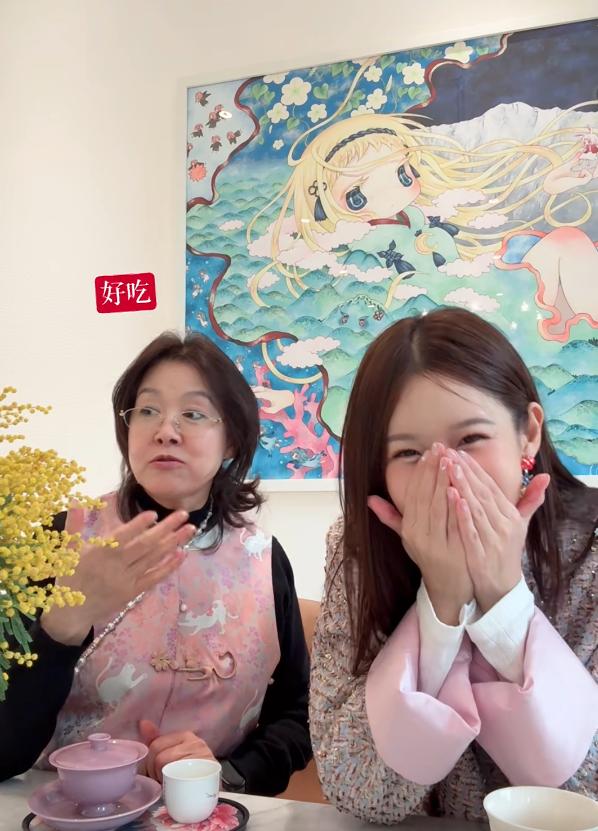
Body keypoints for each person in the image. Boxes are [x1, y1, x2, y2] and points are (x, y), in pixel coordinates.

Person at [309, 307, 597, 823]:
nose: (445, 474)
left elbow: (588, 795)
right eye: (408, 453)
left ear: (529, 433)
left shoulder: (590, 551)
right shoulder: (357, 552)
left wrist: (502, 601)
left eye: (470, 440)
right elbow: (353, 789)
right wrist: (440, 604)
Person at [0, 332, 311, 795]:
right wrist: (63, 626)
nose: (166, 430)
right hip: (66, 811)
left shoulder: (264, 558)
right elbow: (4, 750)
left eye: (193, 413)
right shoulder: (59, 539)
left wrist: (230, 773)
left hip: (206, 813)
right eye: (147, 410)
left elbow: (299, 712)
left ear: (231, 440)